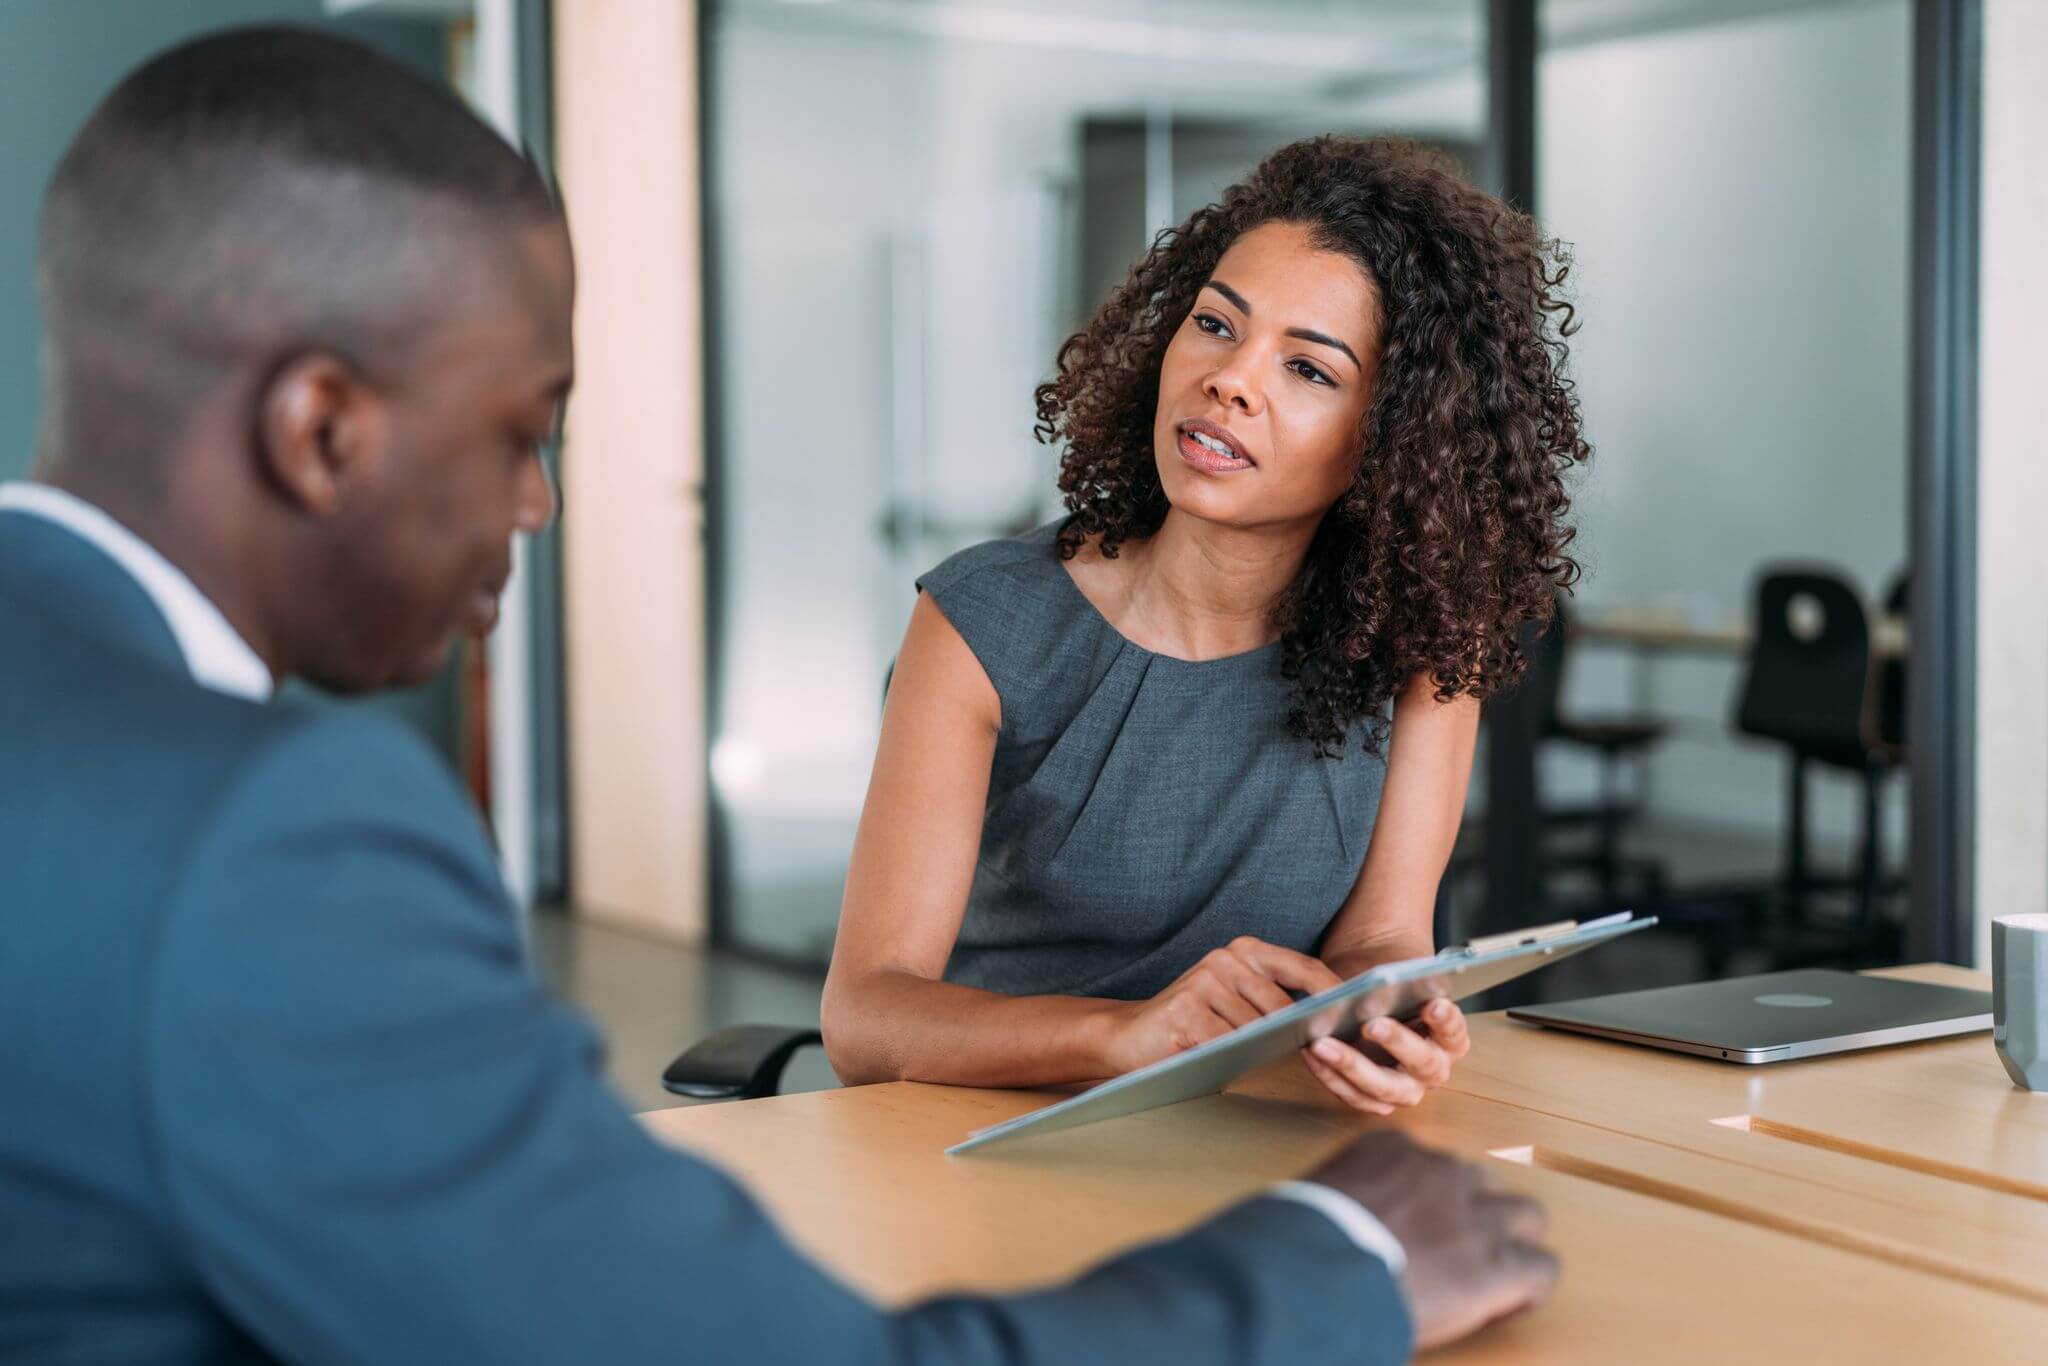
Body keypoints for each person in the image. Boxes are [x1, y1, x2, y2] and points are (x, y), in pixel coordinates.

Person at [0, 27, 1558, 1365]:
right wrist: (1336, 1263)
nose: (537, 507)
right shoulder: (273, 835)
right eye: (518, 429)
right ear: (321, 427)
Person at [822, 137, 1587, 1112]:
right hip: (986, 1127)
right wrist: (1123, 1036)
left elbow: (1378, 939)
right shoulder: (984, 622)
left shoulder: (1424, 646)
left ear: (1392, 439)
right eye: (1216, 324)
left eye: (1308, 369)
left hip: (1253, 1129)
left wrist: (1394, 1012)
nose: (1231, 378)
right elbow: (864, 1018)